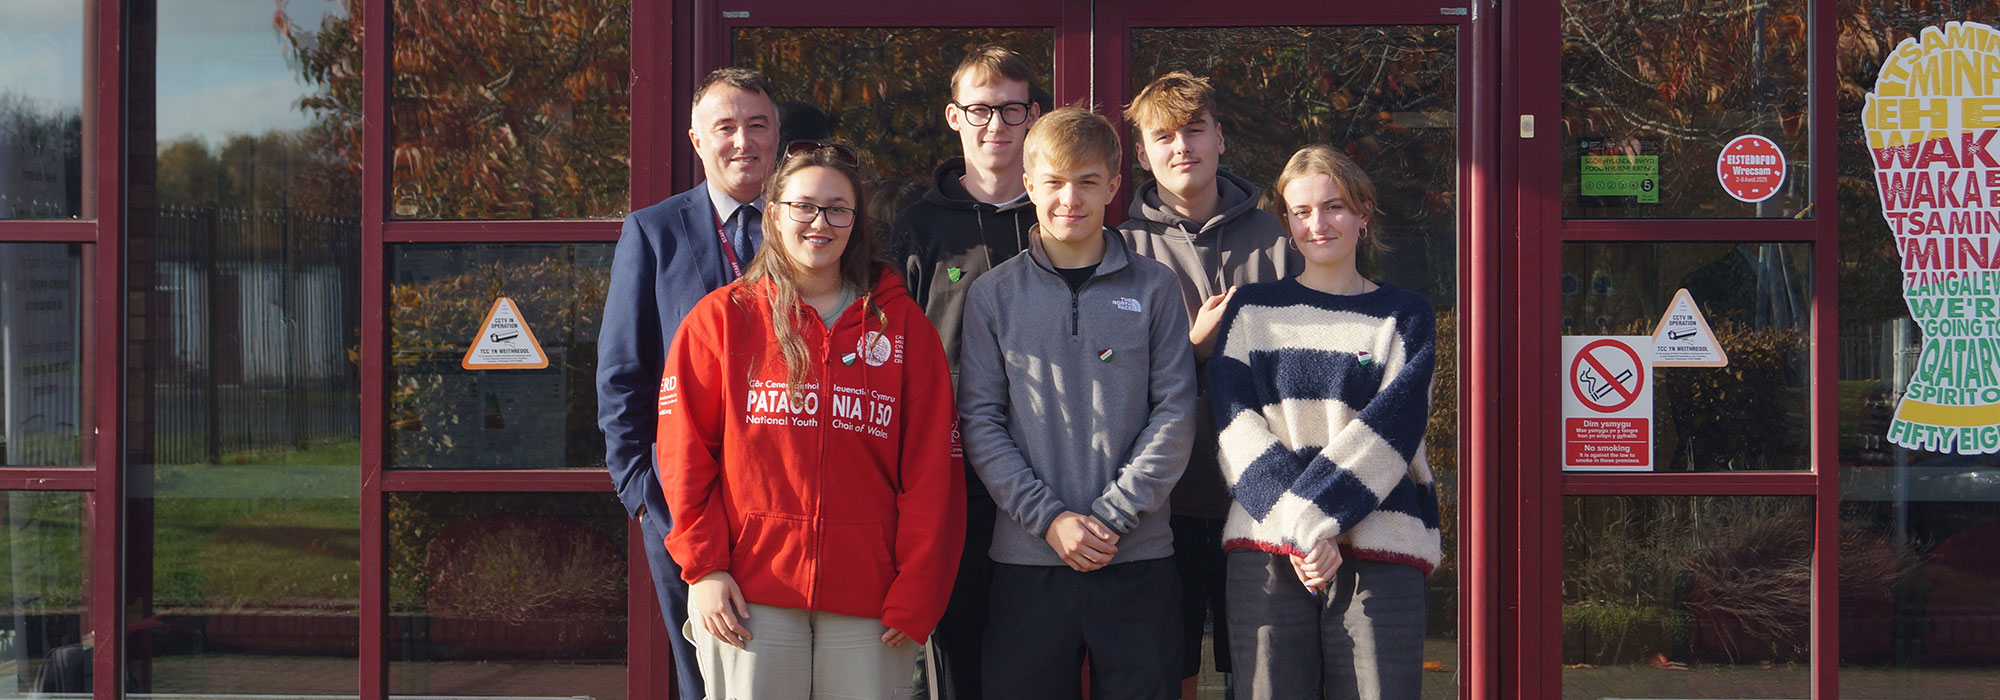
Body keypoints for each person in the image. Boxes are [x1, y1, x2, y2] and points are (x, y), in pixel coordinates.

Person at [658, 141, 966, 699]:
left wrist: (920, 585)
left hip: (873, 601)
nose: (819, 223)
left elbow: (931, 474)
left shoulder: (903, 328)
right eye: (803, 206)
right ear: (773, 213)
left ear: (856, 221)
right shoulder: (722, 320)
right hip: (749, 596)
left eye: (837, 209)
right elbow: (683, 457)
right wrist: (704, 569)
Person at [957, 105, 1196, 700]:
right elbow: (981, 421)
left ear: (1114, 186)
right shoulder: (992, 295)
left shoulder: (1156, 286)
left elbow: (1176, 413)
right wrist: (1052, 520)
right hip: (1027, 561)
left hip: (1136, 559)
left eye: (1088, 181)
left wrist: (1110, 519)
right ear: (1029, 185)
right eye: (1055, 182)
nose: (1071, 198)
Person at [1207, 144, 1442, 700]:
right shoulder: (1251, 311)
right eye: (1302, 211)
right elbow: (1234, 426)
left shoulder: (1404, 315)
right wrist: (1303, 532)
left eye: (1334, 206)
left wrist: (1314, 523)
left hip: (1382, 547)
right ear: (1287, 223)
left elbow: (1392, 429)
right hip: (1267, 548)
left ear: (1364, 213)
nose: (1319, 223)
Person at [595, 66, 779, 700]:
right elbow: (623, 373)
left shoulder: (811, 223)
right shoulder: (653, 231)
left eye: (757, 125)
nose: (743, 141)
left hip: (789, 502)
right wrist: (642, 495)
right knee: (704, 680)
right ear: (696, 141)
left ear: (776, 136)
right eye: (725, 127)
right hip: (682, 504)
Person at [1117, 69, 1297, 699]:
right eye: (1163, 136)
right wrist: (1191, 349)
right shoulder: (1120, 247)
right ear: (1142, 153)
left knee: (1260, 666)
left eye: (1195, 131)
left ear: (1220, 138)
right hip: (1164, 501)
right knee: (1172, 667)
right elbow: (1109, 380)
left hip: (1264, 496)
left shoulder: (1276, 240)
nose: (1181, 147)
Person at [889, 44, 1042, 700]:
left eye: (1011, 109)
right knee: (957, 658)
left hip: (1048, 475)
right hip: (952, 480)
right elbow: (890, 356)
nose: (995, 125)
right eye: (980, 109)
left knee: (1037, 659)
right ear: (954, 117)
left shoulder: (1059, 218)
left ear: (1033, 117)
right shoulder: (919, 229)